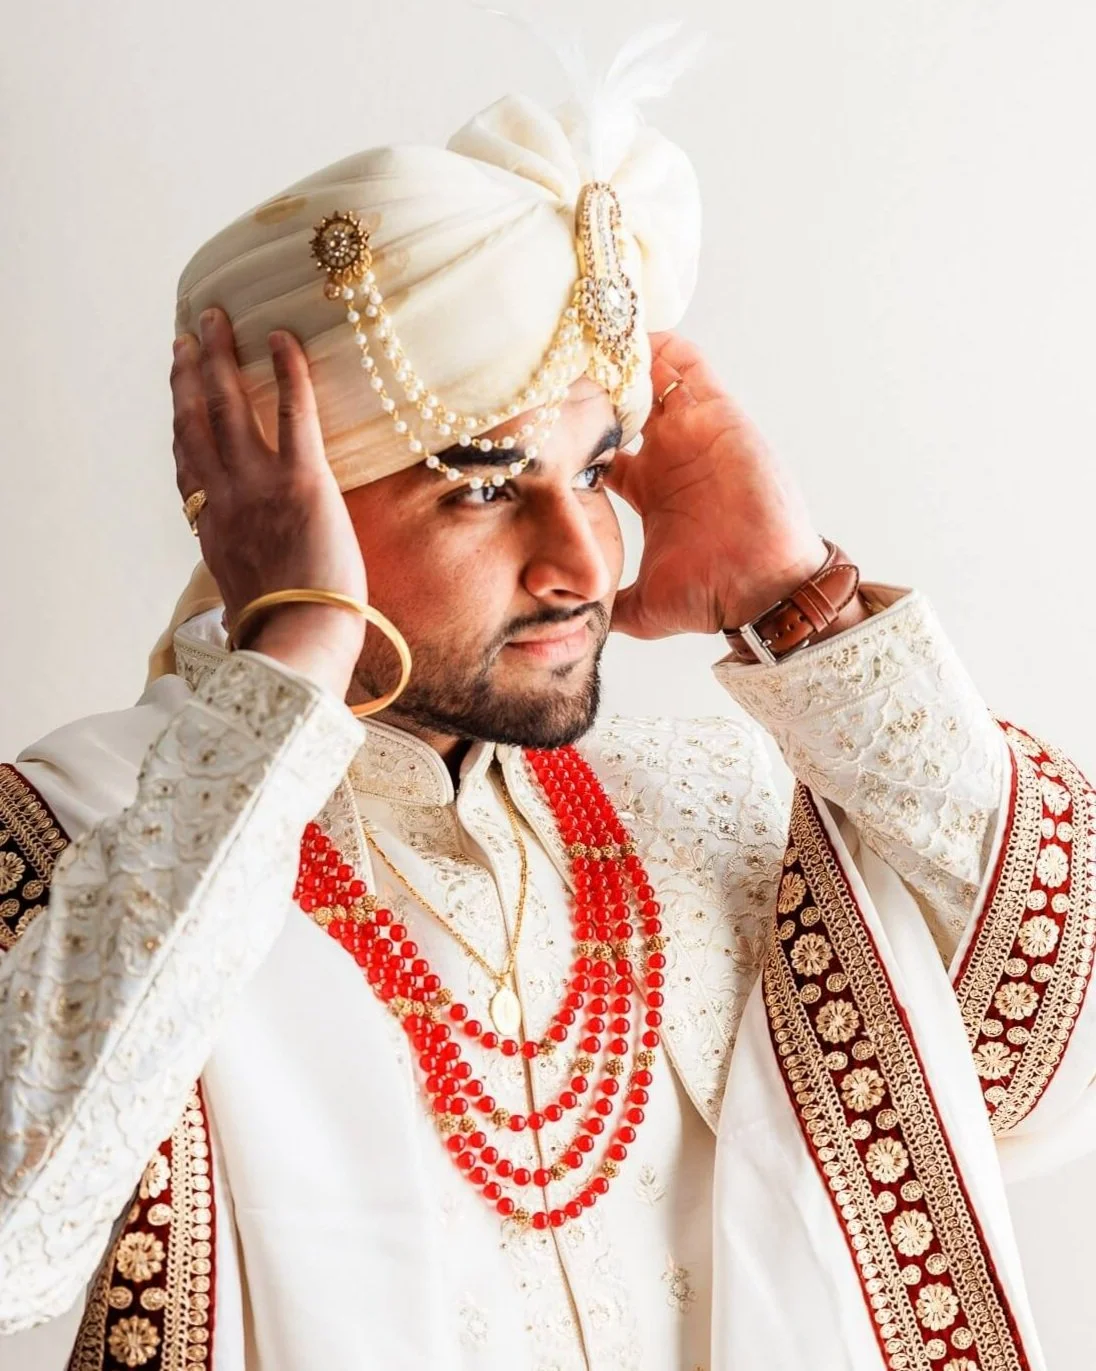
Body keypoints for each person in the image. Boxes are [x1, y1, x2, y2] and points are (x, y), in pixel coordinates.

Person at [1, 40, 1093, 1371]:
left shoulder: (708, 801)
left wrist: (795, 599)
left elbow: (1057, 1062)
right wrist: (293, 655)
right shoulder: (94, 832)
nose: (582, 560)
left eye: (596, 470)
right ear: (275, 502)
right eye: (480, 485)